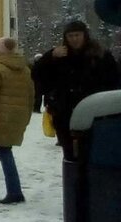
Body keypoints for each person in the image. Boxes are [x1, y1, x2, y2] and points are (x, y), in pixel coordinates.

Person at [32, 19, 120, 160]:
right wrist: (50, 56)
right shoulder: (60, 55)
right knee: (70, 155)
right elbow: (37, 74)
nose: (74, 39)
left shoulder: (99, 55)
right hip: (64, 114)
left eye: (77, 35)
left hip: (95, 114)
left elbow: (113, 81)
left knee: (91, 154)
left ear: (84, 35)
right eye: (70, 36)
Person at [0, 37, 36, 205]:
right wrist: (27, 117)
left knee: (4, 152)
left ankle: (14, 191)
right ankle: (15, 190)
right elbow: (31, 95)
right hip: (18, 116)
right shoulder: (25, 70)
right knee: (5, 150)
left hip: (2, 116)